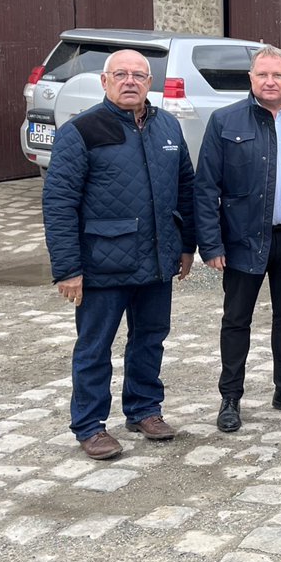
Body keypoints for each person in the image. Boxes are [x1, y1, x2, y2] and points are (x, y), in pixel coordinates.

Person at [43, 49, 195, 460]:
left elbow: (186, 188)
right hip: (102, 263)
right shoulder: (82, 131)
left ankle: (144, 409)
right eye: (121, 74)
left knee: (150, 339)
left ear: (150, 82)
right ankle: (90, 425)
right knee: (95, 347)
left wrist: (185, 246)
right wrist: (68, 269)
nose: (130, 81)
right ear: (105, 82)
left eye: (139, 75)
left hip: (158, 261)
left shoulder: (167, 127)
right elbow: (59, 203)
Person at [195, 45, 281, 433]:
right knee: (237, 319)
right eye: (262, 75)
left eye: (277, 75)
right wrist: (211, 244)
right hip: (241, 239)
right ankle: (230, 397)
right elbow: (205, 188)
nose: (270, 82)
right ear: (250, 79)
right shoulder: (225, 120)